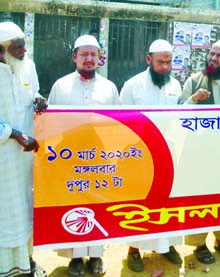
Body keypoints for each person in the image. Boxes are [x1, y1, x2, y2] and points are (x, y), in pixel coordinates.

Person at [48, 35, 119, 276]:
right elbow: (49, 123)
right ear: (74, 57)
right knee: (73, 206)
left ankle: (96, 255)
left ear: (100, 58)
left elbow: (118, 124)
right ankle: (75, 258)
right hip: (69, 159)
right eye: (84, 54)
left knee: (98, 203)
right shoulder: (60, 86)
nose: (89, 59)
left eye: (93, 55)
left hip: (99, 159)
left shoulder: (109, 87)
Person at [119, 39, 183, 272]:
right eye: (160, 62)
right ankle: (134, 249)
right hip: (139, 154)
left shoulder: (175, 84)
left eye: (168, 62)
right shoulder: (132, 85)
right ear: (149, 60)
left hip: (169, 152)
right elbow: (121, 122)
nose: (165, 67)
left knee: (169, 200)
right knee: (140, 201)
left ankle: (167, 246)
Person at [178, 40, 220, 264]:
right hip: (198, 152)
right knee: (199, 198)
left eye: (219, 56)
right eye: (212, 54)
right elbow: (176, 113)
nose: (213, 59)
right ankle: (199, 244)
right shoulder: (194, 81)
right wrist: (193, 100)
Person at [0, 21, 47, 277]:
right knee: (6, 212)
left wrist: (39, 99)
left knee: (27, 208)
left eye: (23, 45)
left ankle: (26, 260)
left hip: (27, 158)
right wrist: (16, 135)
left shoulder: (28, 65)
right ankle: (7, 268)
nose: (23, 51)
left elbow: (33, 92)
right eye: (16, 48)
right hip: (3, 159)